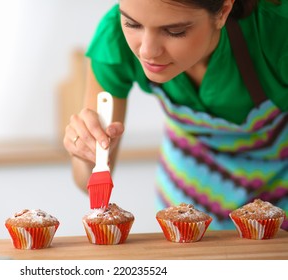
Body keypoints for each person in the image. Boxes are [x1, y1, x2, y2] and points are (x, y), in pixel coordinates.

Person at [63, 0, 288, 230]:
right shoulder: (114, 37)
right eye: (132, 23)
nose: (147, 51)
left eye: (174, 31)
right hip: (186, 201)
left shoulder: (278, 33)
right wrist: (86, 154)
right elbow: (86, 182)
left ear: (223, 11)